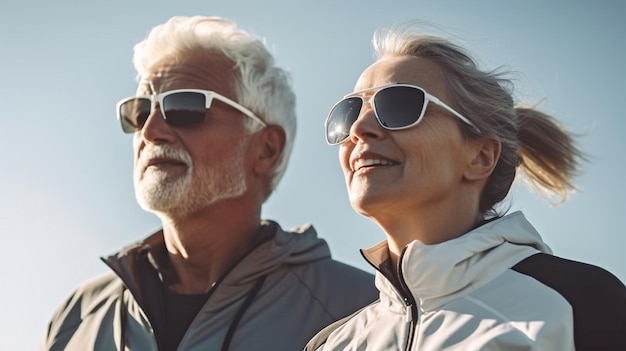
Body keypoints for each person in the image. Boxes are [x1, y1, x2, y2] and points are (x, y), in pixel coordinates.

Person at [41, 16, 377, 351]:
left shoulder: (363, 314)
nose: (151, 130)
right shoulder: (77, 317)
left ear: (265, 149)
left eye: (185, 106)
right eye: (141, 111)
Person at [307, 23, 626, 351]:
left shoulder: (579, 303)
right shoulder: (331, 344)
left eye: (399, 105)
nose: (359, 129)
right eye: (349, 112)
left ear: (480, 155)